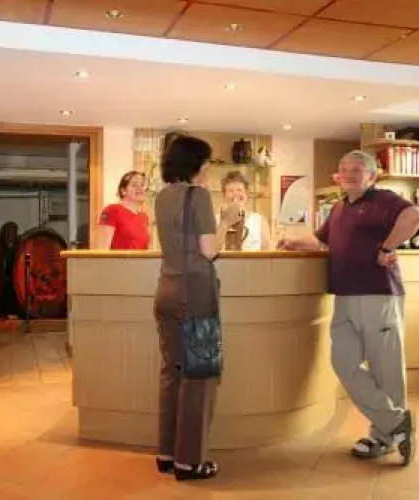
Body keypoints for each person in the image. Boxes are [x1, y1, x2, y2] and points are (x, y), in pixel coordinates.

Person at [279, 150, 419, 466]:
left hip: (378, 295)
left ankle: (384, 436)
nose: (348, 174)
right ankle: (396, 422)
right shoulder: (340, 207)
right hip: (344, 296)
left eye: (356, 170)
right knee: (343, 362)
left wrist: (387, 247)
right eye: (344, 169)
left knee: (385, 369)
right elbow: (322, 241)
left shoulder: (384, 199)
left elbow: (414, 216)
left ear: (371, 175)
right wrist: (293, 244)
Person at [153, 134, 241, 481]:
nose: (207, 168)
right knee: (199, 377)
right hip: (195, 293)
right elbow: (209, 250)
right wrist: (227, 220)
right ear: (195, 163)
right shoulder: (198, 195)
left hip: (166, 290)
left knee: (172, 372)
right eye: (205, 161)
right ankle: (189, 462)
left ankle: (167, 453)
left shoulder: (162, 196)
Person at [218, 170, 271, 250]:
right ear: (224, 196)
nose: (236, 194)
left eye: (239, 190)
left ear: (247, 194)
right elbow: (211, 250)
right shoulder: (215, 220)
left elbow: (266, 252)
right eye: (231, 191)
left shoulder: (260, 221)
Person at [97, 171, 150, 250]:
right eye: (134, 185)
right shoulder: (111, 210)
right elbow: (103, 248)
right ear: (123, 191)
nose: (140, 188)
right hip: (119, 258)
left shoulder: (144, 217)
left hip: (140, 258)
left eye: (142, 185)